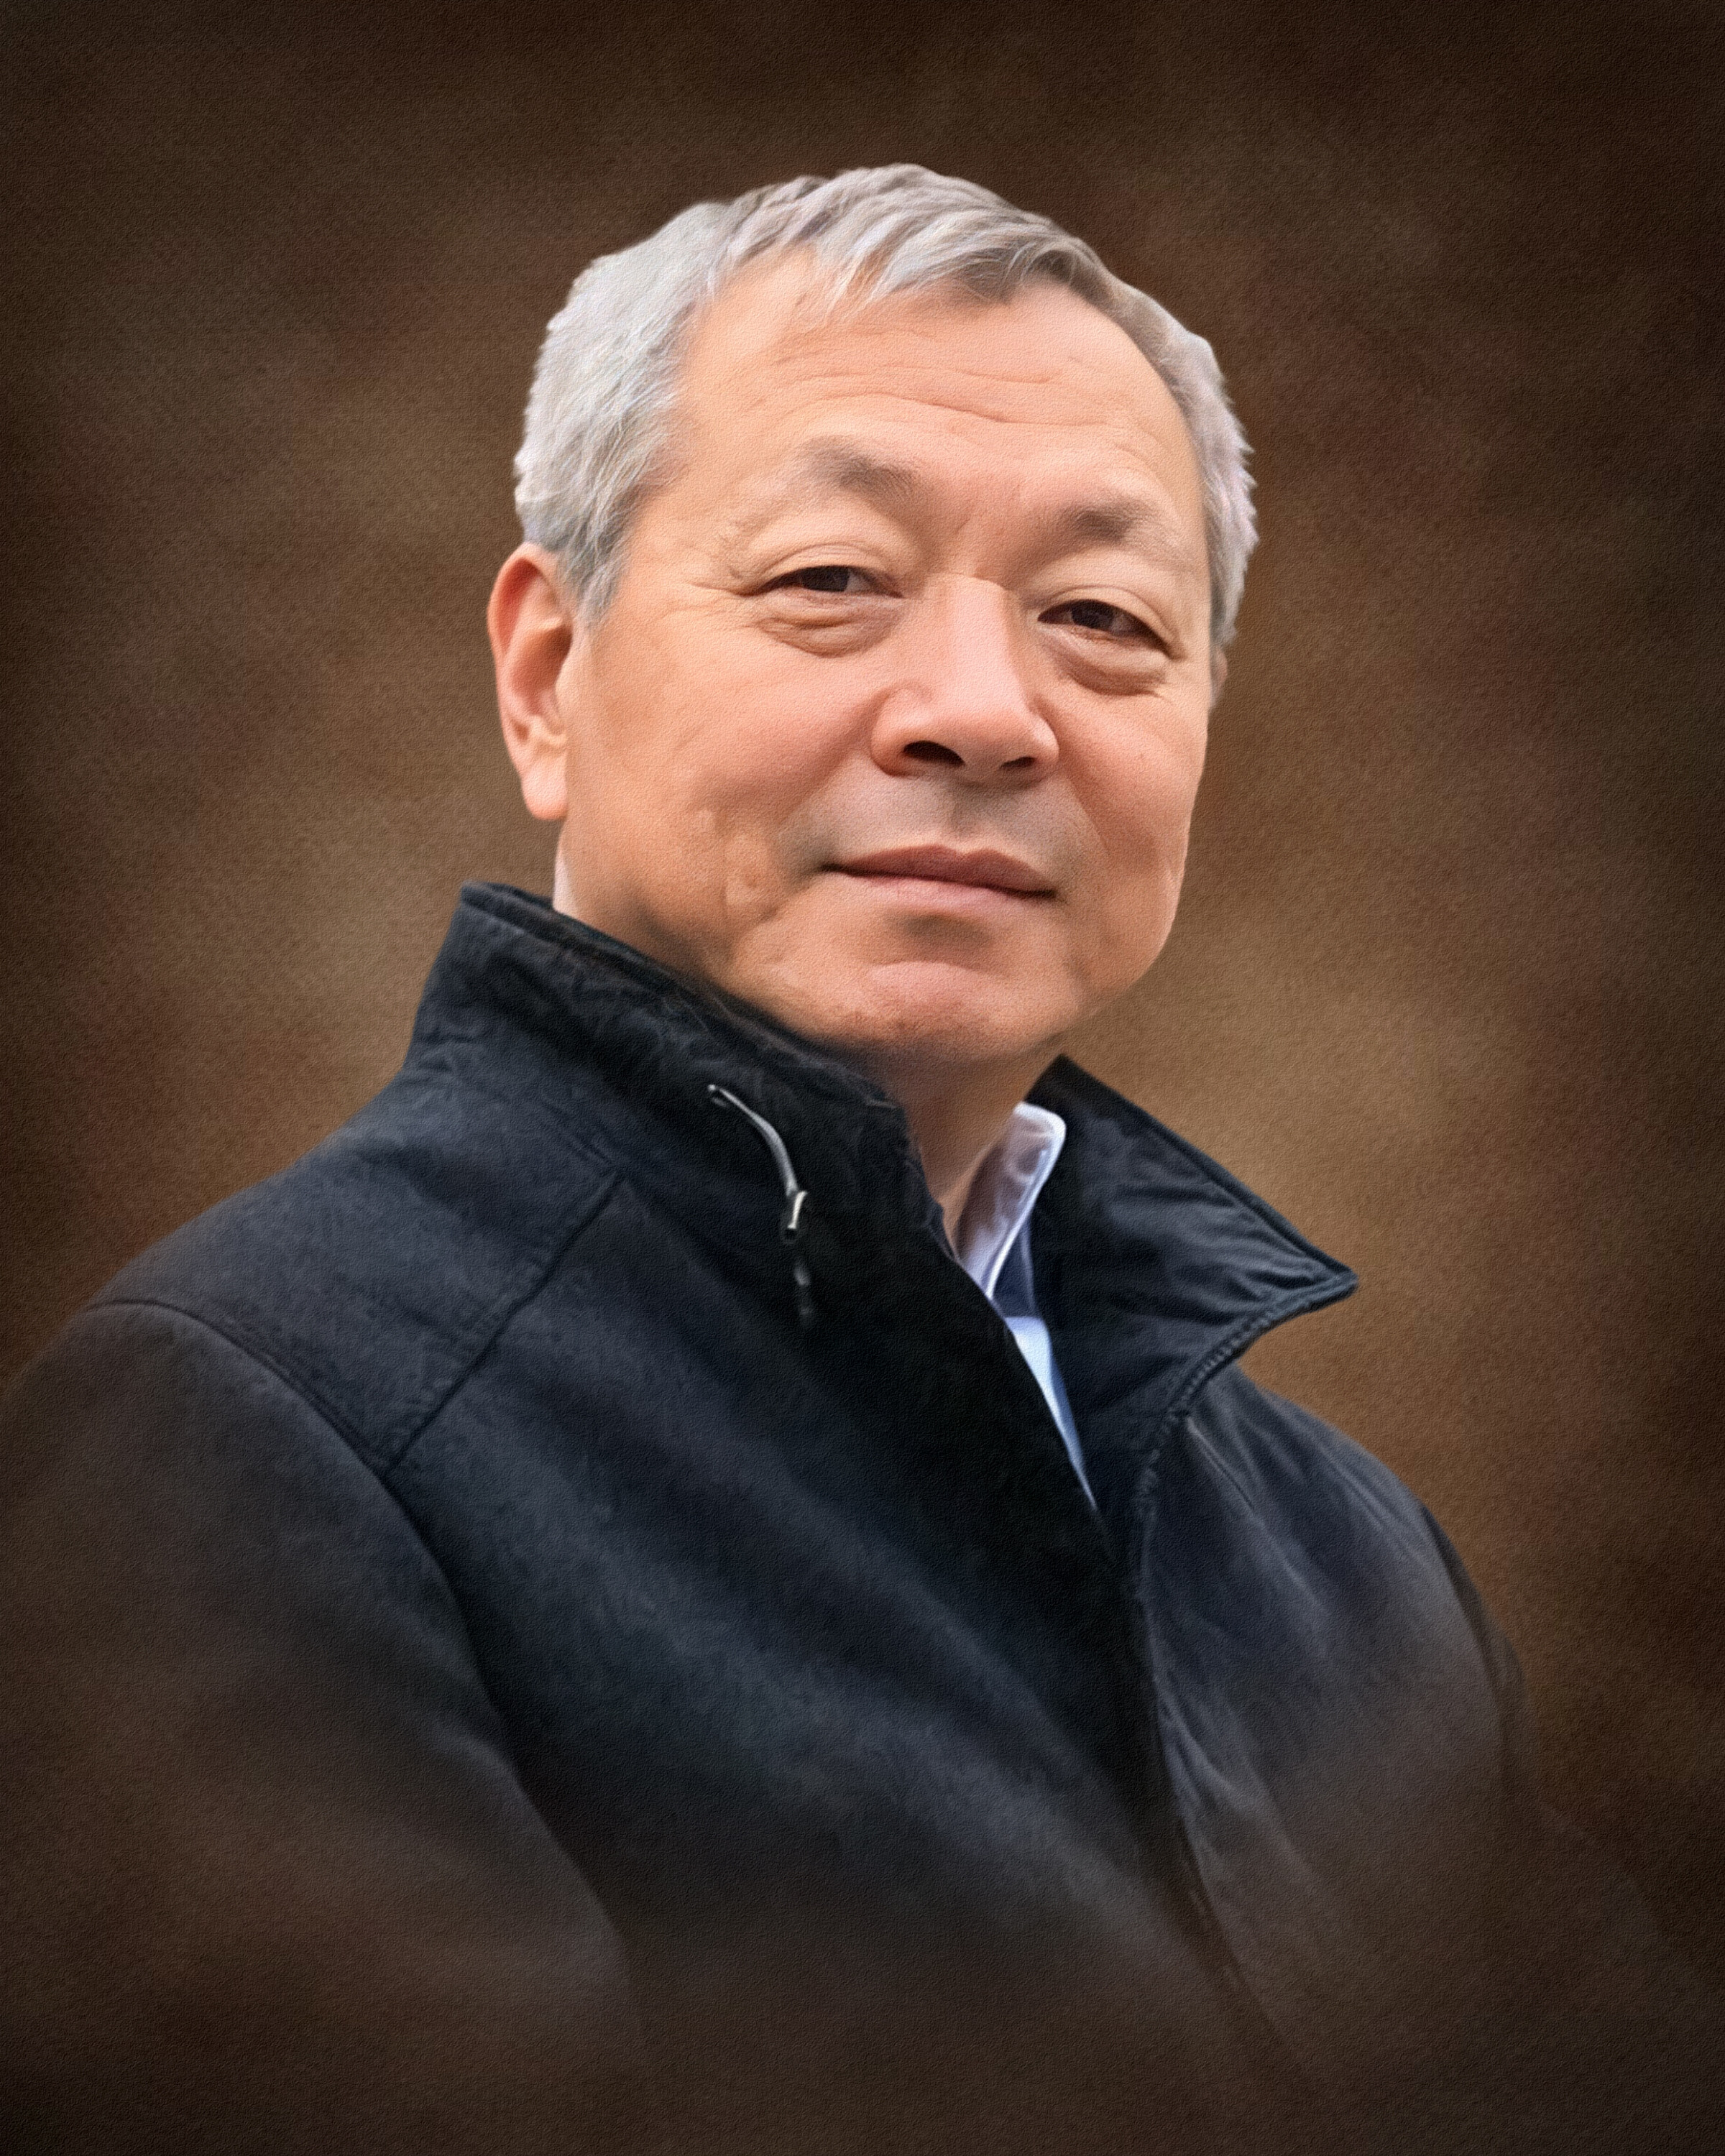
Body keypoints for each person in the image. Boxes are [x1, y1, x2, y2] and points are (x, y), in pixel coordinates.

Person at [0, 165, 1715, 2156]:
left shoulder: (1348, 1566)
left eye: (1103, 619)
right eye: (831, 578)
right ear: (548, 673)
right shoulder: (241, 1443)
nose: (984, 714)